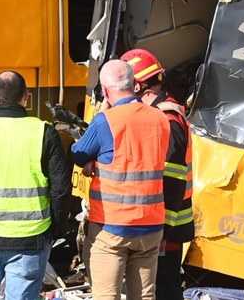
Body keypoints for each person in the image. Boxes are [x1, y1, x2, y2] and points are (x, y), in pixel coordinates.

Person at [0, 71, 72, 300]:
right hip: (30, 237)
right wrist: (57, 229)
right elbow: (61, 189)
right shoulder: (43, 132)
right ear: (26, 97)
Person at [70, 58, 171, 300]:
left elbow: (78, 153)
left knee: (107, 295)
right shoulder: (160, 119)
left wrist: (94, 157)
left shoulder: (106, 121)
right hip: (150, 225)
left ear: (105, 91)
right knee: (145, 296)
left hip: (112, 227)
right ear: (134, 85)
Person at [125, 49, 194, 300]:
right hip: (160, 221)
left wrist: (163, 229)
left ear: (138, 85)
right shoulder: (158, 113)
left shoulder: (167, 118)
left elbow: (173, 177)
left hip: (168, 224)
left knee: (165, 286)